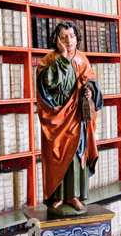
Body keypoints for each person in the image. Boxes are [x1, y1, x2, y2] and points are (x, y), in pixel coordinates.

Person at [36, 20, 103, 213]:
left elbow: (90, 79)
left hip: (75, 116)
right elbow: (46, 83)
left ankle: (73, 196)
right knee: (55, 154)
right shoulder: (48, 59)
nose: (69, 40)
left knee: (74, 154)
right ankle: (56, 197)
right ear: (56, 40)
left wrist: (90, 90)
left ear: (77, 38)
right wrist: (63, 57)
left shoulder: (82, 59)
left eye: (72, 36)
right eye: (64, 37)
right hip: (56, 115)